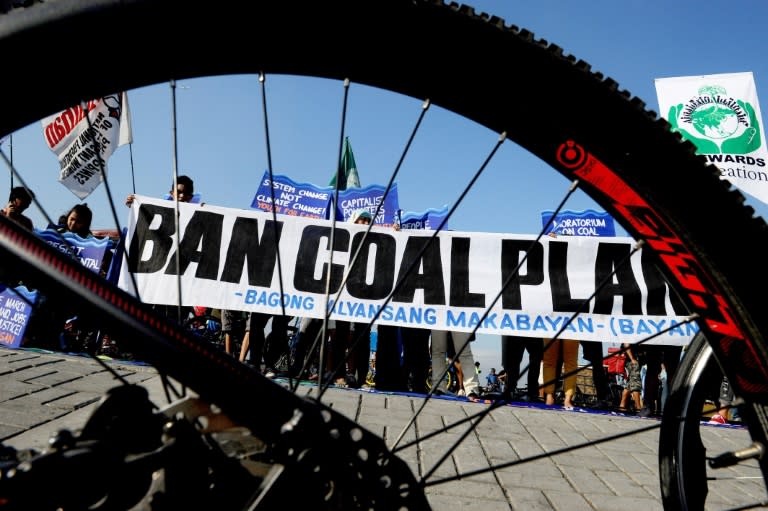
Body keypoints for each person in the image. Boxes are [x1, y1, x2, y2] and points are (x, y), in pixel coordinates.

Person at [430, 329, 480, 397]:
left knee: (464, 351)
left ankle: (471, 389)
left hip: (458, 320)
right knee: (437, 351)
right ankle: (438, 386)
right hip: (439, 320)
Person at [501, 335, 543, 401]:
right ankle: (511, 389)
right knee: (513, 360)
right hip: (519, 332)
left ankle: (511, 390)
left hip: (531, 331)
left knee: (535, 358)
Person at [542, 337, 579, 408]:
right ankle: (566, 399)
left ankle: (550, 397)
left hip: (553, 328)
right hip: (571, 329)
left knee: (550, 361)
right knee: (570, 363)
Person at [125, 174, 195, 207]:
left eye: (186, 193)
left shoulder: (199, 216)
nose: (182, 195)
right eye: (179, 192)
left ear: (191, 197)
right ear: (171, 193)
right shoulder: (160, 209)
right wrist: (134, 205)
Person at [618, 343, 643, 413]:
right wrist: (632, 359)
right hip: (632, 360)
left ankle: (622, 406)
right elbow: (626, 344)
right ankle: (638, 408)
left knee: (629, 384)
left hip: (633, 359)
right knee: (636, 383)